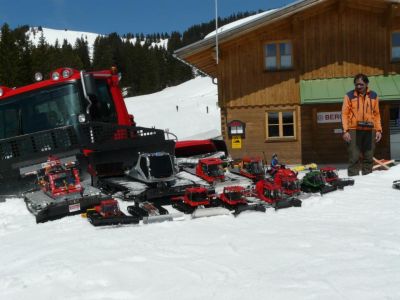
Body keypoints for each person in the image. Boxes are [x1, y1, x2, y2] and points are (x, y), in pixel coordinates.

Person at [341, 73, 382, 176]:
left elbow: (376, 114)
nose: (358, 86)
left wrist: (378, 130)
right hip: (353, 129)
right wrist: (345, 131)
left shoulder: (374, 95)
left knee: (369, 156)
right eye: (356, 84)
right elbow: (344, 114)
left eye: (361, 84)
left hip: (370, 130)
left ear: (366, 83)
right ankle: (354, 184)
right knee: (354, 157)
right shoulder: (349, 96)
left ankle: (367, 180)